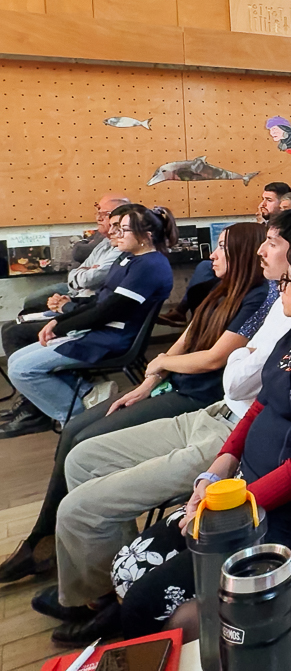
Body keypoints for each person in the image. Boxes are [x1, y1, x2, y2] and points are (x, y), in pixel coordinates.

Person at [31, 210, 291, 639]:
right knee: (81, 456)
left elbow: (235, 374)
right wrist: (156, 372)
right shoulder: (267, 294)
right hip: (214, 412)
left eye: (270, 241)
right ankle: (105, 588)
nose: (260, 250)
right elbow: (223, 361)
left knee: (79, 505)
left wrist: (200, 366)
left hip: (225, 424)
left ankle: (103, 601)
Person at [106, 240, 291, 638]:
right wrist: (215, 473)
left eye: (288, 280)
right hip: (245, 492)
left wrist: (229, 511)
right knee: (129, 562)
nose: (279, 287)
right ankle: (121, 626)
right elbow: (262, 406)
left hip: (289, 518)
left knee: (148, 602)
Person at [0, 223, 267, 590]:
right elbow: (184, 339)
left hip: (197, 395)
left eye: (222, 247)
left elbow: (211, 360)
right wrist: (148, 381)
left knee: (78, 439)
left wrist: (160, 366)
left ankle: (53, 544)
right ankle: (73, 545)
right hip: (176, 385)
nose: (212, 254)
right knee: (75, 437)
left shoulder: (255, 299)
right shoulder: (217, 289)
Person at [5, 206, 177, 433]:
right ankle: (88, 396)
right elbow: (99, 302)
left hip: (111, 338)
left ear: (147, 236)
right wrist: (60, 321)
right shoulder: (129, 257)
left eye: (123, 229)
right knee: (16, 360)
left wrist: (61, 326)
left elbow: (108, 311)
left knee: (21, 371)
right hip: (99, 331)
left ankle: (78, 419)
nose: (115, 234)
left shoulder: (150, 266)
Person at [2, 195, 128, 361]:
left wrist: (66, 306)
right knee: (16, 322)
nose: (98, 217)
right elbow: (78, 270)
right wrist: (82, 276)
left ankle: (74, 383)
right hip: (79, 298)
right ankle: (38, 369)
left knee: (13, 332)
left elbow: (91, 281)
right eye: (98, 211)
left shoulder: (124, 250)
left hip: (87, 308)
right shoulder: (105, 241)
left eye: (105, 214)